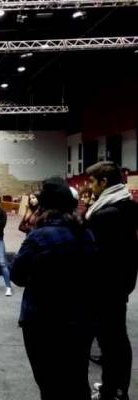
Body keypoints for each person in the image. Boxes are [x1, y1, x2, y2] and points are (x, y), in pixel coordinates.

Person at [11, 177, 97, 400]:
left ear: (44, 206)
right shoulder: (86, 233)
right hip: (81, 318)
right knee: (78, 380)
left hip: (43, 320)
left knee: (49, 383)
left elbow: (17, 276)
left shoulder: (39, 236)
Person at [84, 161, 138, 400]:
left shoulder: (106, 214)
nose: (90, 186)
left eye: (92, 181)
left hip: (105, 286)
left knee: (111, 341)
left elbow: (96, 255)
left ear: (104, 182)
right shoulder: (128, 205)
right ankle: (115, 387)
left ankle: (113, 391)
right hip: (121, 282)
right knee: (116, 339)